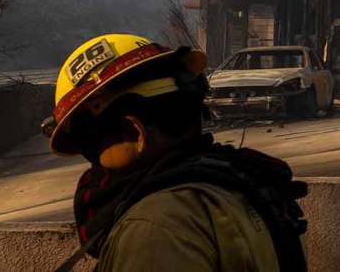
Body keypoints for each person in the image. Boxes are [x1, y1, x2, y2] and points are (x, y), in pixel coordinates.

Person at [46, 34, 307, 272]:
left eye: (92, 147)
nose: (95, 169)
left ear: (133, 132)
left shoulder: (154, 228)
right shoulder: (239, 183)